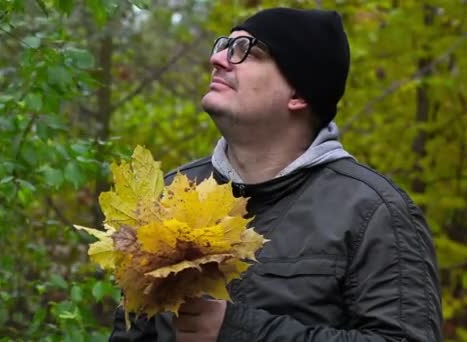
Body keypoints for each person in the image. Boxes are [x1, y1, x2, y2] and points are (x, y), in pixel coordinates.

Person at [110, 7, 442, 342]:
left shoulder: (373, 212)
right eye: (224, 45)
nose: (219, 59)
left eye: (248, 52)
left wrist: (238, 331)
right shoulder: (171, 193)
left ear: (298, 95)